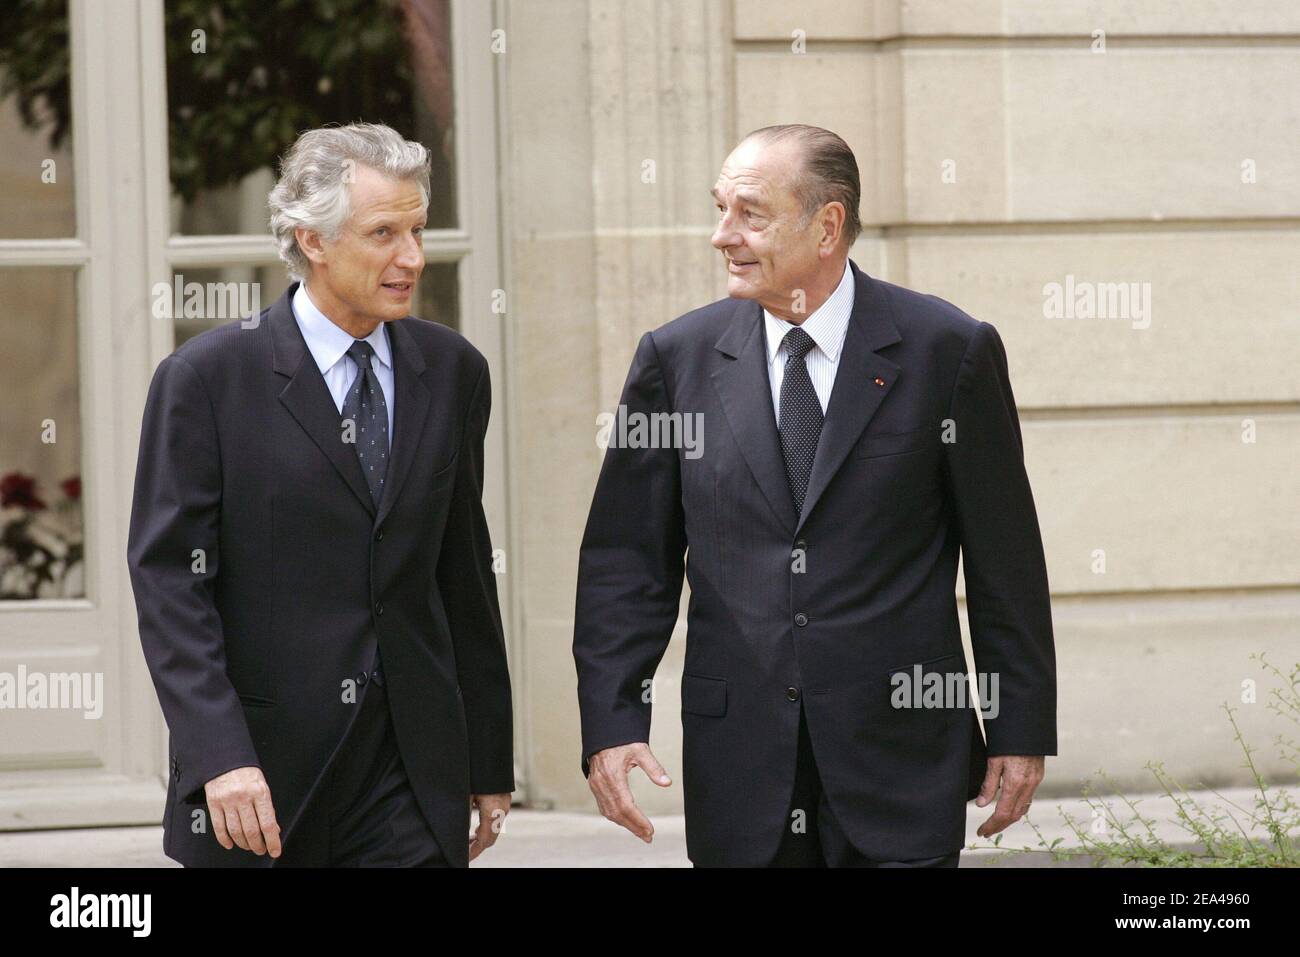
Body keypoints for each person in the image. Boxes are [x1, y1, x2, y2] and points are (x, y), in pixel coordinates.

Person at [573, 124, 1056, 867]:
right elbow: (625, 560)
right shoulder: (674, 361)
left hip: (901, 762)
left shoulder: (946, 350)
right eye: (719, 208)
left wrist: (1019, 726)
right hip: (739, 766)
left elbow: (1006, 562)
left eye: (750, 213)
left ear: (828, 225)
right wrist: (612, 720)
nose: (721, 235)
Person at [128, 122, 513, 867]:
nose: (412, 257)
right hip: (260, 779)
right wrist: (219, 754)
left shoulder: (454, 370)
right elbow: (170, 584)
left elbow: (462, 574)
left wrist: (487, 756)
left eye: (417, 230)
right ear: (314, 240)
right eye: (383, 234)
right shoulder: (207, 379)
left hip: (409, 775)